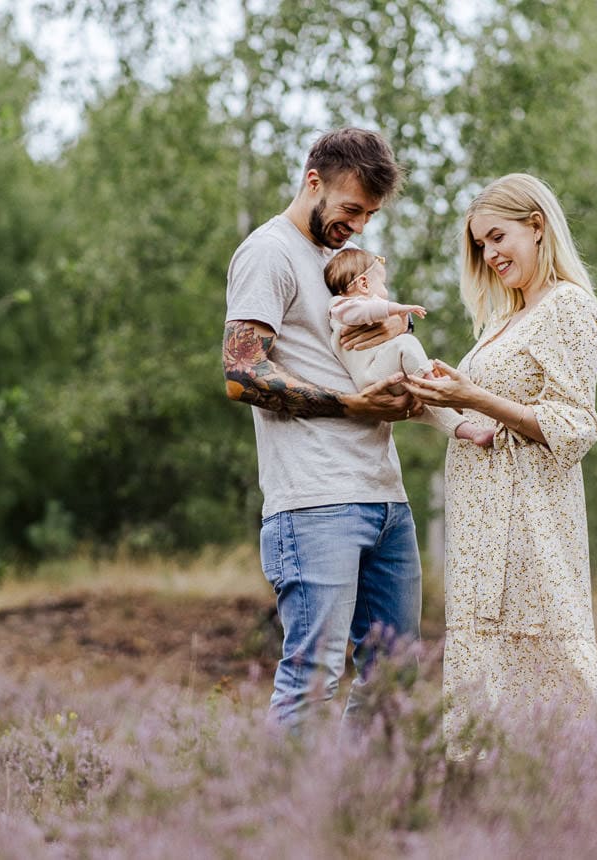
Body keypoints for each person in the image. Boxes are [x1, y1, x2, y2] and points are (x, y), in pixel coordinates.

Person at [402, 172, 597, 752]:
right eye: (481, 244)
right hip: (480, 529)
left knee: (553, 650)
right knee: (485, 661)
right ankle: (486, 805)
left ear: (537, 226)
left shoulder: (568, 307)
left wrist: (472, 396)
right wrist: (435, 400)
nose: (490, 254)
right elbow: (482, 420)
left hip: (530, 523)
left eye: (498, 237)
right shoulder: (505, 319)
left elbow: (575, 424)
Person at [223, 127, 423, 731]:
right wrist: (350, 405)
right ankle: (294, 823)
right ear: (313, 183)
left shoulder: (341, 265)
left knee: (395, 671)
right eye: (351, 209)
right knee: (314, 678)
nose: (358, 225)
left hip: (386, 497)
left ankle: (359, 812)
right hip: (314, 502)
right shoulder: (269, 252)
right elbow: (241, 372)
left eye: (369, 215)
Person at [323, 249, 490, 443]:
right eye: (383, 284)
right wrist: (400, 310)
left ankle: (471, 432)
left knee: (428, 405)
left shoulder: (350, 307)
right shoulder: (342, 307)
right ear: (364, 284)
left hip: (383, 372)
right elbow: (368, 310)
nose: (386, 294)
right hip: (372, 376)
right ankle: (432, 382)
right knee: (406, 344)